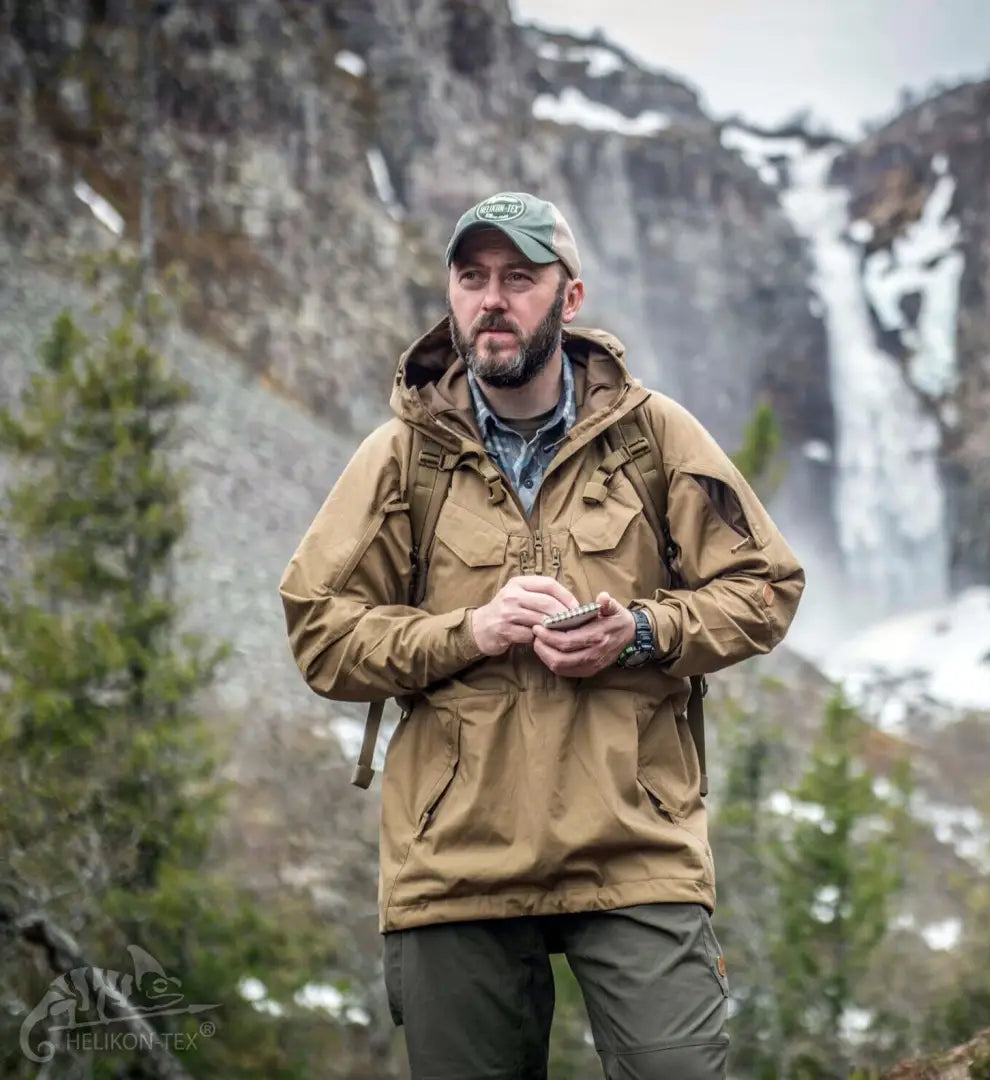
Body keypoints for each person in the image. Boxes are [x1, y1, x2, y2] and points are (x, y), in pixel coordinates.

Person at [279, 191, 804, 1079]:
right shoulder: (401, 458)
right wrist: (467, 631)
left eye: (519, 278)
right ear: (451, 294)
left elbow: (765, 585)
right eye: (472, 277)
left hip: (635, 845)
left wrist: (640, 631)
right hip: (455, 861)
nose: (492, 299)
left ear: (569, 298)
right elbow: (321, 632)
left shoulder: (655, 437)